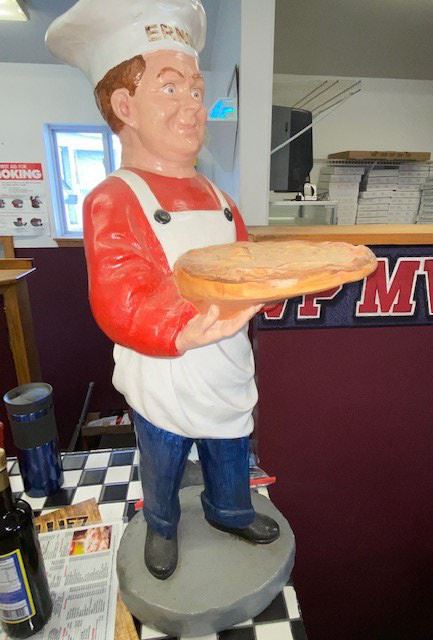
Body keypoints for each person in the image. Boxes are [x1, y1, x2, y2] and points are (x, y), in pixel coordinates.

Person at [46, 0, 279, 580]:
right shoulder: (114, 198)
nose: (193, 106)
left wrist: (273, 284)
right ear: (124, 106)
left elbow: (243, 267)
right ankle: (163, 524)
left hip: (225, 366)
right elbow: (119, 294)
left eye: (195, 90)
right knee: (163, 457)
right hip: (163, 373)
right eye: (171, 89)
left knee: (230, 447)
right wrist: (183, 326)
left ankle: (230, 510)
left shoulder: (221, 199)